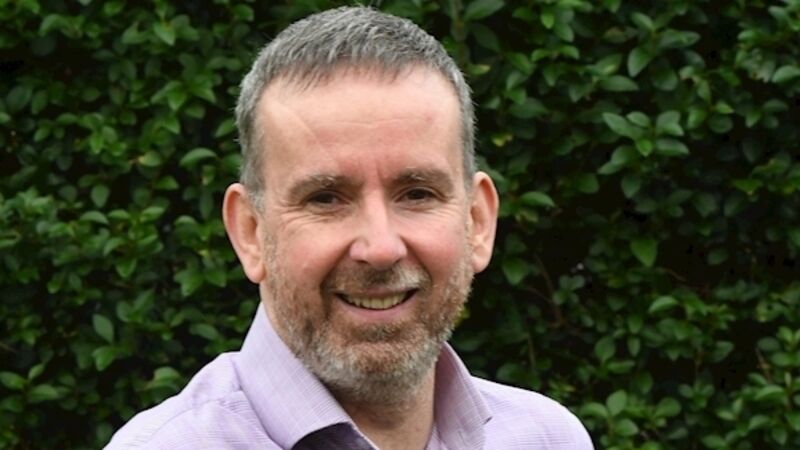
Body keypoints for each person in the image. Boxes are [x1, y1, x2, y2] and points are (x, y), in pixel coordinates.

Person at [106, 6, 593, 450]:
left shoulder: (548, 439)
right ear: (250, 232)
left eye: (417, 193)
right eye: (325, 198)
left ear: (476, 222)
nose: (380, 248)